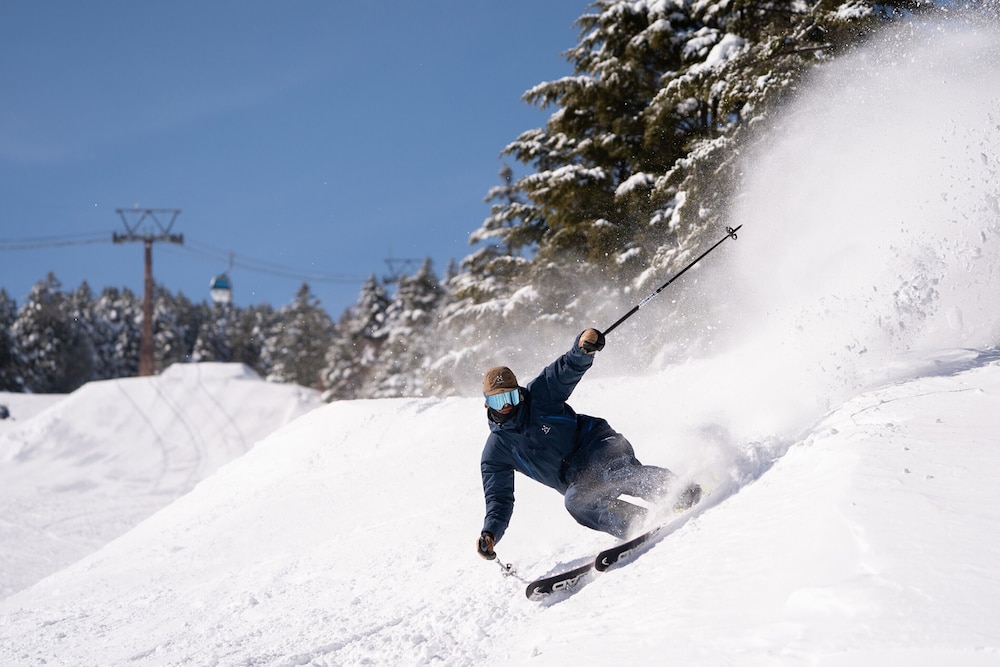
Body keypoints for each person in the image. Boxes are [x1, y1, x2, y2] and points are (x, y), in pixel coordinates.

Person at [476, 328, 700, 560]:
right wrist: (490, 532)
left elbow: (565, 369)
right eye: (498, 400)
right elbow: (499, 498)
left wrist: (583, 348)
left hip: (600, 446)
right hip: (578, 480)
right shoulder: (496, 452)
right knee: (576, 502)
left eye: (510, 397)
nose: (506, 406)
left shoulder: (539, 396)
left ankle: (680, 492)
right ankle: (637, 525)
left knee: (613, 475)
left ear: (519, 394)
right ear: (487, 403)